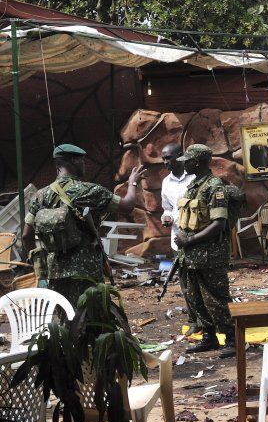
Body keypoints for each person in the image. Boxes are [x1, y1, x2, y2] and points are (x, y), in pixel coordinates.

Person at [22, 144, 146, 305]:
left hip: (56, 272)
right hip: (87, 271)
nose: (84, 164)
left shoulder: (40, 195)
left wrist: (40, 266)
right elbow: (128, 205)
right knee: (92, 319)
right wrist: (132, 183)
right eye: (82, 161)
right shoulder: (89, 191)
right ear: (73, 161)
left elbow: (26, 236)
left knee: (67, 319)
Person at [173, 144, 236, 357]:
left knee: (216, 299)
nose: (184, 163)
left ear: (197, 162)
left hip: (210, 255)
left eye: (187, 160)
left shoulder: (214, 187)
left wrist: (189, 240)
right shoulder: (194, 186)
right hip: (190, 256)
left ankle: (231, 339)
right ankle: (209, 337)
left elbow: (219, 222)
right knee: (195, 298)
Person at [159, 143, 194, 252]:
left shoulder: (194, 177)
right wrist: (166, 218)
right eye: (163, 159)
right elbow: (168, 209)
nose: (165, 162)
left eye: (168, 158)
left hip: (196, 236)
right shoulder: (166, 182)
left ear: (179, 156)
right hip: (177, 237)